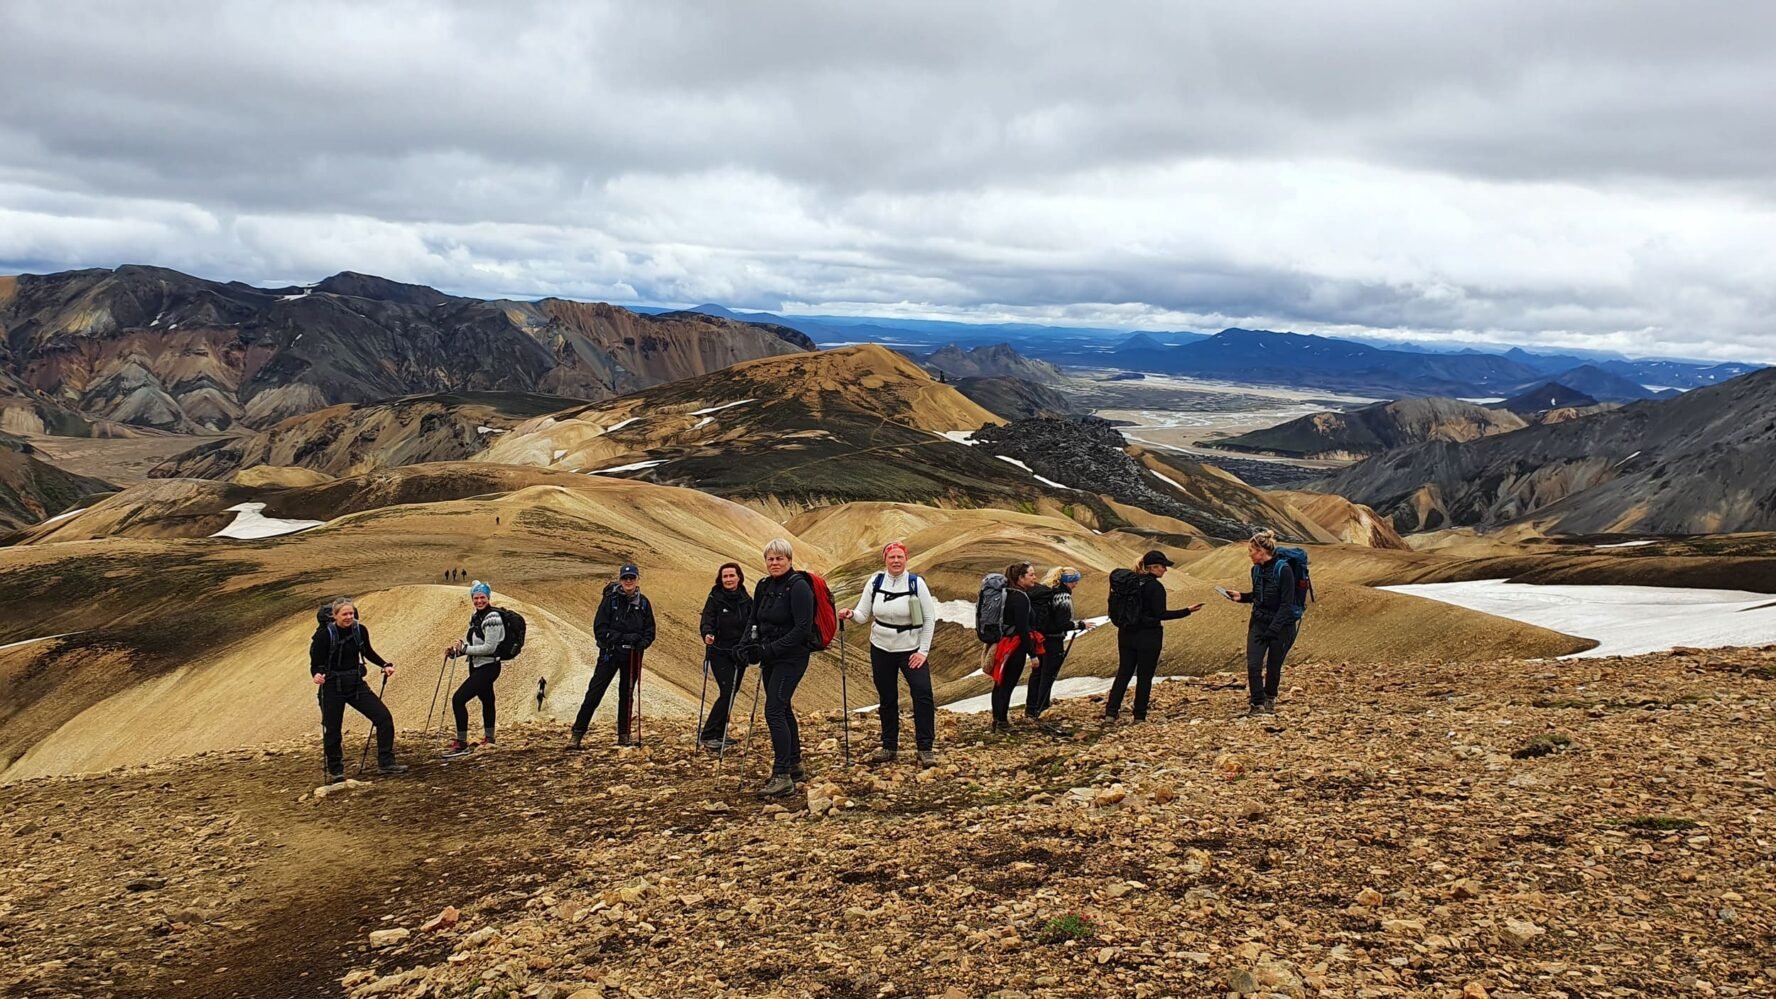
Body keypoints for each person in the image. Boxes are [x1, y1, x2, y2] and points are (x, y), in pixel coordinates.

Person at [840, 541, 940, 766]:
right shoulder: (875, 582)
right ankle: (889, 745)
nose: (896, 561)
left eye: (899, 557)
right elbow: (863, 614)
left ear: (906, 559)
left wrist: (923, 651)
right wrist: (850, 614)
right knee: (887, 698)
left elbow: (928, 618)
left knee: (922, 695)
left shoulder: (917, 583)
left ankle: (925, 747)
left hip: (911, 648)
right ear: (885, 560)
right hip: (881, 647)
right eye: (892, 557)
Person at [309, 598, 406, 782]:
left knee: (383, 718)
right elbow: (316, 663)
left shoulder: (360, 630)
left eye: (351, 614)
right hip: (331, 686)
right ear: (334, 616)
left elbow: (367, 651)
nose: (349, 617)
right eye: (345, 614)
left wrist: (384, 664)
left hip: (355, 683)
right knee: (333, 729)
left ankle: (386, 762)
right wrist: (316, 675)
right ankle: (336, 770)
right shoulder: (324, 636)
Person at [1105, 550, 1203, 722]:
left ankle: (1111, 713)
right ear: (1153, 567)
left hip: (1126, 633)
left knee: (1124, 673)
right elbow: (1160, 614)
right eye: (1163, 566)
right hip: (1148, 636)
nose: (1165, 570)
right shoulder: (1155, 587)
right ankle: (1139, 716)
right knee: (1144, 676)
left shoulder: (1129, 584)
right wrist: (1186, 611)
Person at [750, 538, 814, 797]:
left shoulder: (798, 588)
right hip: (770, 656)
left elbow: (802, 629)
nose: (774, 563)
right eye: (770, 559)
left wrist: (770, 649)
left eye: (780, 558)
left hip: (792, 658)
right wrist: (749, 645)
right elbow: (754, 619)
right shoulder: (763, 586)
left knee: (774, 710)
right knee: (783, 708)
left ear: (789, 560)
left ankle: (782, 775)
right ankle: (795, 764)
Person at [567, 564, 656, 749]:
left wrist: (641, 643)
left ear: (637, 579)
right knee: (595, 693)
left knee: (627, 694)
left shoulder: (644, 603)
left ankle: (624, 735)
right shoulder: (610, 601)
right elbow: (600, 628)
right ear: (621, 580)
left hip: (633, 655)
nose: (629, 581)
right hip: (611, 653)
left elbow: (650, 630)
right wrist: (623, 638)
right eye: (626, 578)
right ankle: (577, 734)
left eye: (632, 578)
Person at [1226, 529, 1298, 717]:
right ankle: (1256, 704)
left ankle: (1270, 698)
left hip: (1281, 627)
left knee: (1274, 665)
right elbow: (1258, 596)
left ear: (1260, 551)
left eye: (1251, 550)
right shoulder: (1255, 570)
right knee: (1253, 664)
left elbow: (1286, 604)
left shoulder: (1284, 570)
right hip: (1258, 622)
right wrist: (1242, 597)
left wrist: (1273, 629)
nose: (1249, 554)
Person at [441, 580, 505, 758]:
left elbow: (490, 647)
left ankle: (462, 743)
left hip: (488, 666)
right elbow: (476, 643)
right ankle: (489, 739)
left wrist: (465, 650)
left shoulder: (492, 618)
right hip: (478, 665)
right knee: (487, 699)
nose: (479, 601)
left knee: (458, 699)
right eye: (476, 598)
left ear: (488, 597)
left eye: (482, 597)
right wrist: (457, 652)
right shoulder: (476, 616)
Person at [698, 562, 754, 751]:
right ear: (720, 579)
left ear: (739, 577)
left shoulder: (747, 600)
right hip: (719, 652)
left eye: (732, 575)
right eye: (725, 576)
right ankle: (708, 734)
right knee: (727, 691)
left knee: (732, 691)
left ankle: (719, 734)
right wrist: (707, 633)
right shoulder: (715, 598)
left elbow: (752, 624)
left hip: (739, 653)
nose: (728, 579)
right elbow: (707, 620)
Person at [1027, 566, 1094, 719]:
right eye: (1075, 581)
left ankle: (1031, 708)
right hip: (1054, 640)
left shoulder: (1048, 592)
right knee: (1048, 674)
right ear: (1069, 581)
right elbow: (1062, 623)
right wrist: (1080, 625)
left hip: (1040, 638)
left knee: (1037, 673)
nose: (1076, 584)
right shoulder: (1063, 596)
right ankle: (1042, 708)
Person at [988, 561, 1041, 733]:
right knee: (1008, 683)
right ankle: (1002, 722)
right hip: (1014, 646)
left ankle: (997, 720)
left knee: (999, 682)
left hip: (1003, 643)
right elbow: (1023, 629)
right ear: (1020, 578)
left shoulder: (1007, 594)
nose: (1035, 578)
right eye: (1031, 575)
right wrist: (1032, 654)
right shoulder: (1020, 597)